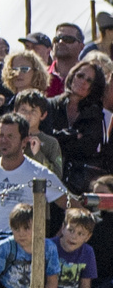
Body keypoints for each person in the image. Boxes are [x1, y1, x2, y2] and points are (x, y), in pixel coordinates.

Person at [0, 113, 69, 238]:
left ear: (24, 141)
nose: (3, 141)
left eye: (10, 136)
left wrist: (59, 238)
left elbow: (70, 204)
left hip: (22, 247)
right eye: (0, 135)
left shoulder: (39, 173)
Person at [45, 59, 107, 191]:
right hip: (48, 174)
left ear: (94, 87)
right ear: (72, 76)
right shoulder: (50, 105)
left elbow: (87, 147)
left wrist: (57, 138)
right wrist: (72, 135)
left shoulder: (95, 114)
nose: (83, 81)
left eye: (89, 80)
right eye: (80, 75)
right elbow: (44, 137)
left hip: (77, 183)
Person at [47, 23, 87, 93]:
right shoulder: (40, 76)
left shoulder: (87, 78)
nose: (61, 42)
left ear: (81, 47)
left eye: (68, 39)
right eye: (57, 39)